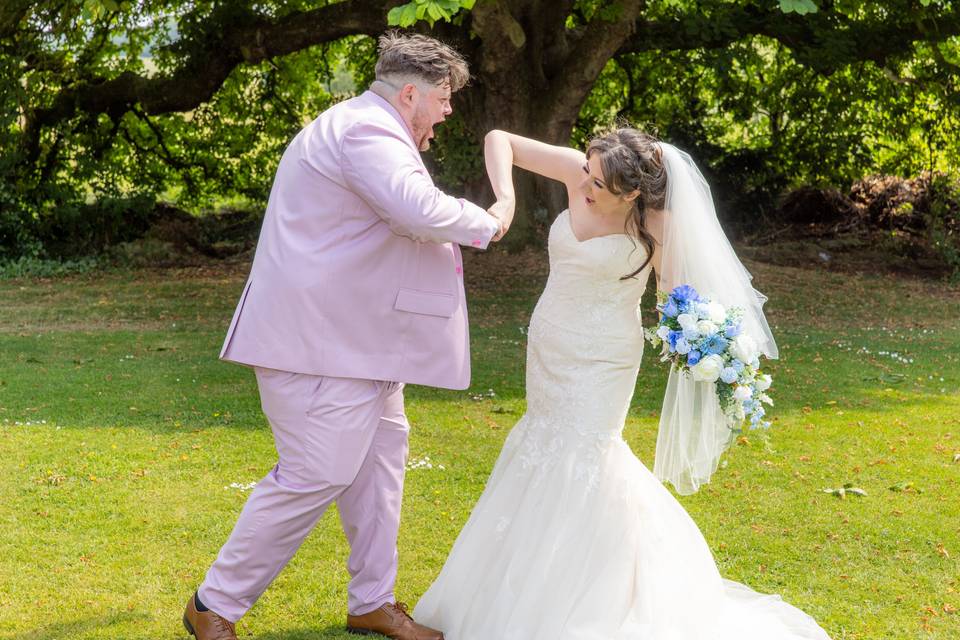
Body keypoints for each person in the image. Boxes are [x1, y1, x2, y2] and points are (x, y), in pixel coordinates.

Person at [412, 128, 833, 640]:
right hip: (550, 345)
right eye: (587, 176)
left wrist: (699, 340)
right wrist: (505, 198)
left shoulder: (657, 221)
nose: (586, 188)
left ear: (632, 193)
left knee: (587, 451)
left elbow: (678, 298)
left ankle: (596, 585)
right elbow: (500, 139)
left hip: (605, 356)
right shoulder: (579, 172)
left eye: (600, 186)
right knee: (541, 440)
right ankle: (520, 580)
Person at [181, 32, 503, 640]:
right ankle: (213, 602)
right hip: (318, 344)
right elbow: (417, 210)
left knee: (380, 470)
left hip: (357, 342)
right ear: (411, 93)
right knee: (317, 471)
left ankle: (372, 602)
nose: (448, 112)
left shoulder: (368, 127)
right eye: (444, 99)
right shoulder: (366, 131)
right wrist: (486, 220)